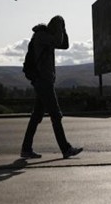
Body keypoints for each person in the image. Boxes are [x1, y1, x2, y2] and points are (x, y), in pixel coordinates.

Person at [21, 15, 83, 159]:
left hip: (44, 81)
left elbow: (65, 45)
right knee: (56, 115)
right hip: (43, 82)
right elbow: (58, 41)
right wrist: (60, 26)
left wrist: (64, 28)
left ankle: (26, 149)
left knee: (36, 116)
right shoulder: (42, 36)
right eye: (59, 26)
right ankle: (66, 149)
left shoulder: (48, 37)